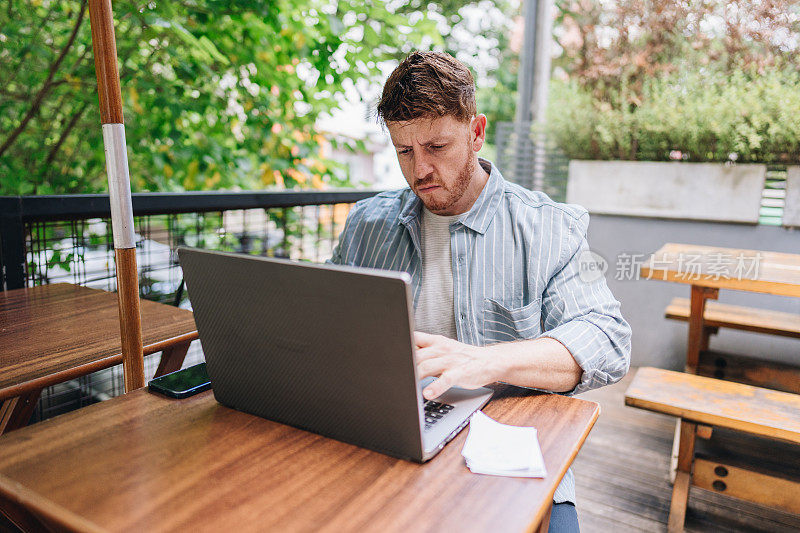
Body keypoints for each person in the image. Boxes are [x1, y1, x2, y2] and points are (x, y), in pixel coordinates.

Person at [330, 51, 631, 532]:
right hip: (387, 435)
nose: (419, 170)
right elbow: (331, 325)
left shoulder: (549, 227)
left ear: (475, 132)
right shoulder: (367, 225)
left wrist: (483, 361)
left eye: (437, 146)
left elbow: (608, 339)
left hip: (511, 451)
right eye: (404, 151)